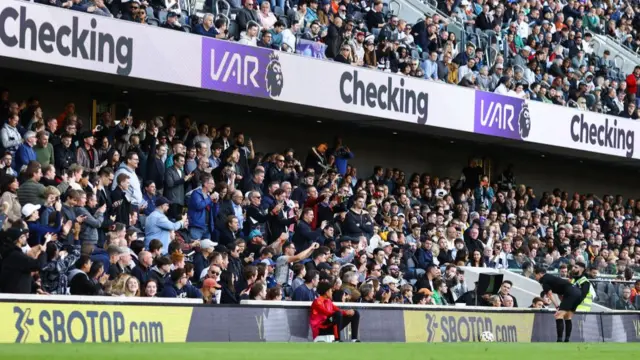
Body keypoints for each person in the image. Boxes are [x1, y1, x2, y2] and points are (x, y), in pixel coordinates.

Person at [534, 267, 583, 342]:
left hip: (570, 293)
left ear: (540, 274)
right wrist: (563, 305)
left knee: (558, 315)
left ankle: (559, 340)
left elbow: (550, 294)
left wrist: (557, 306)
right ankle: (567, 339)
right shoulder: (552, 279)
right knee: (568, 316)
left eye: (535, 275)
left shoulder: (544, 280)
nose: (535, 278)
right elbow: (560, 295)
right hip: (578, 293)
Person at [0, 227, 47, 294]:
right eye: (23, 236)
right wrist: (43, 252)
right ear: (18, 239)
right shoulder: (16, 255)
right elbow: (38, 265)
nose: (26, 238)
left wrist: (35, 288)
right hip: (14, 299)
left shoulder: (14, 254)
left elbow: (23, 274)